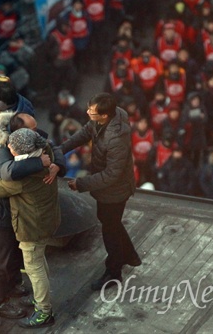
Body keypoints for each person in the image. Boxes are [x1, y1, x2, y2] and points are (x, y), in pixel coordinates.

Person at [0, 111, 64, 319]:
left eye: (11, 147)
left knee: (34, 268)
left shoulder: (22, 178)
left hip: (31, 227)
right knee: (39, 259)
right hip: (47, 220)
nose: (8, 147)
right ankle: (39, 299)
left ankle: (43, 311)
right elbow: (52, 146)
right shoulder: (46, 154)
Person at [60, 93, 141, 291]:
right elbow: (87, 131)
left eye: (92, 111)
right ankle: (129, 255)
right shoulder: (111, 116)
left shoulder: (116, 139)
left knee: (110, 229)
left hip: (115, 190)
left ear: (104, 116)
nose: (87, 112)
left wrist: (81, 184)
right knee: (108, 220)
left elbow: (111, 175)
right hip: (108, 187)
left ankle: (113, 273)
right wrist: (61, 148)